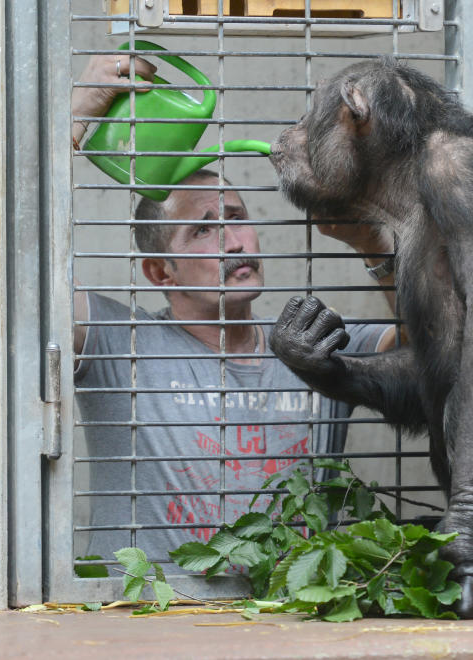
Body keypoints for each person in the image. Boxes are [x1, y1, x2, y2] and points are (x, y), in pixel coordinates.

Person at [71, 54, 399, 566]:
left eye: (237, 217)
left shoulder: (314, 343)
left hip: (293, 617)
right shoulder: (118, 342)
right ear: (161, 273)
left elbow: (440, 352)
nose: (234, 241)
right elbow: (13, 295)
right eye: (202, 229)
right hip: (146, 625)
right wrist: (71, 123)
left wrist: (376, 246)